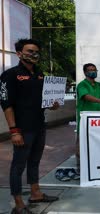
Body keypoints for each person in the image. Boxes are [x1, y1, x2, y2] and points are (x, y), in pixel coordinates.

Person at [0, 39, 59, 214]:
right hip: (22, 129)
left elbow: (41, 100)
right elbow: (6, 104)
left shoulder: (39, 74)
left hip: (39, 125)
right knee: (18, 166)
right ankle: (18, 204)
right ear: (19, 53)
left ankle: (35, 194)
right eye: (29, 51)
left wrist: (52, 104)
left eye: (36, 51)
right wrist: (14, 131)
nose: (34, 54)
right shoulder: (10, 75)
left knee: (34, 162)